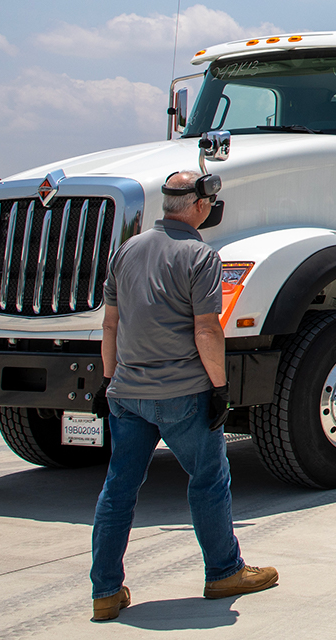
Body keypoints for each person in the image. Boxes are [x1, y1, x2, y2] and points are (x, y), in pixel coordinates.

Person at [90, 172, 277, 622]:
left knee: (119, 490)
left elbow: (110, 324)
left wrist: (109, 380)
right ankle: (223, 572)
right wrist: (219, 388)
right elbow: (206, 328)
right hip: (183, 393)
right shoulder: (199, 255)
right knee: (208, 481)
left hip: (128, 392)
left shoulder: (126, 252)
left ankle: (105, 592)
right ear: (196, 206)